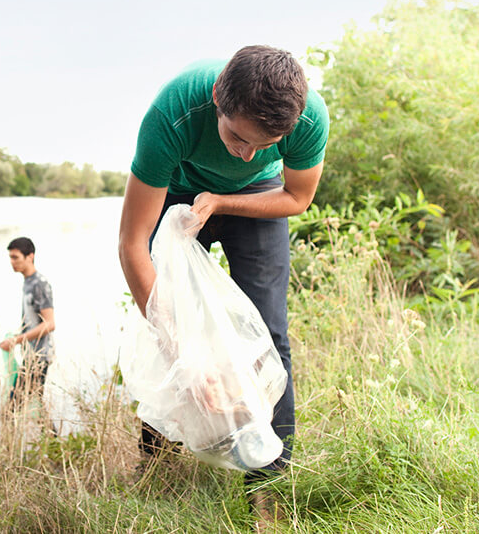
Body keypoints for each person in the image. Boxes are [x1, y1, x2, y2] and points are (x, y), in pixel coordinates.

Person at [118, 45, 329, 525]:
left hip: (258, 197)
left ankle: (267, 485)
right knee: (166, 324)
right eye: (237, 137)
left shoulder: (308, 119)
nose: (247, 152)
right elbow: (131, 244)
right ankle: (156, 465)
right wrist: (186, 353)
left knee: (270, 334)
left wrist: (223, 201)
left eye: (265, 143)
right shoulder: (172, 113)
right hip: (176, 188)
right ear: (218, 96)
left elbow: (297, 197)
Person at [0, 237, 56, 412]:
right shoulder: (28, 282)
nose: (12, 262)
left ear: (30, 256)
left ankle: (51, 436)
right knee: (35, 405)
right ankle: (53, 437)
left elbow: (49, 324)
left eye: (15, 257)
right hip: (31, 354)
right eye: (10, 257)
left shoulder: (39, 284)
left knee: (12, 409)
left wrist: (16, 340)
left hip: (39, 356)